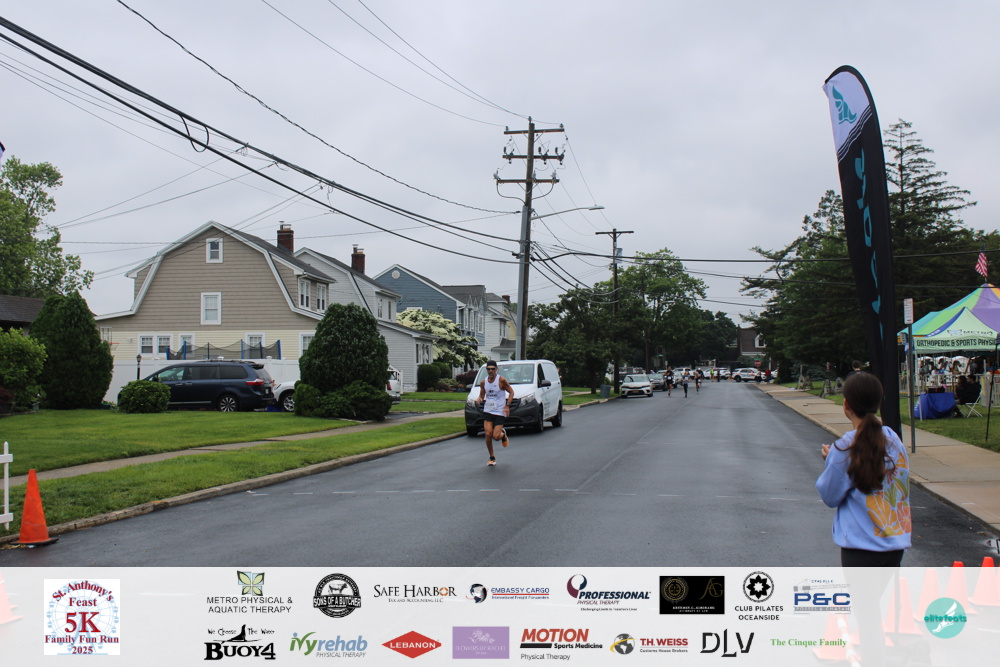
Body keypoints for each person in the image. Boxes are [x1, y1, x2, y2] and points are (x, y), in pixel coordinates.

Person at [816, 372, 911, 566]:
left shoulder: (844, 448)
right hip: (895, 544)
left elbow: (830, 496)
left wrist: (831, 459)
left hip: (861, 547)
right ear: (878, 403)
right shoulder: (893, 439)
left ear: (846, 405)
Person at [475, 360, 515, 467]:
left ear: (496, 369)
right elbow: (482, 395)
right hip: (488, 410)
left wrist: (507, 405)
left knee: (496, 437)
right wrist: (479, 399)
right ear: (486, 370)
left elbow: (511, 392)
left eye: (492, 369)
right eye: (488, 369)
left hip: (500, 411)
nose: (490, 371)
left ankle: (503, 435)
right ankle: (492, 457)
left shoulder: (501, 380)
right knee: (488, 434)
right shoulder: (483, 382)